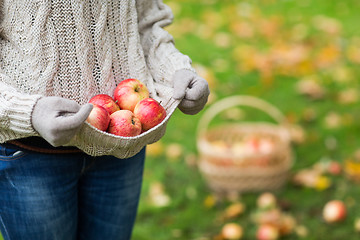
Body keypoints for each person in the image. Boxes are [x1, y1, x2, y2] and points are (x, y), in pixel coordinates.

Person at [0, 1, 209, 240]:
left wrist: (175, 70)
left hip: (120, 146)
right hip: (31, 157)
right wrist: (27, 111)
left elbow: (146, 23)